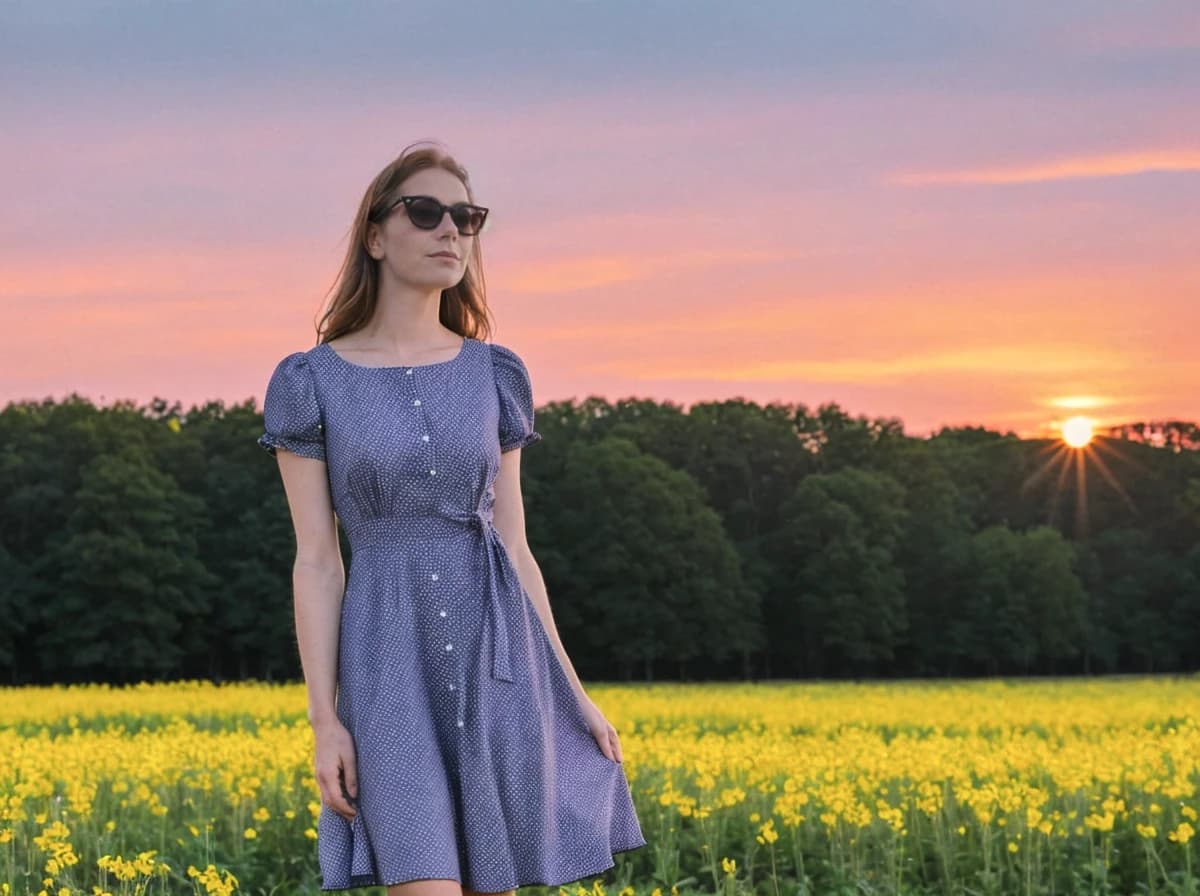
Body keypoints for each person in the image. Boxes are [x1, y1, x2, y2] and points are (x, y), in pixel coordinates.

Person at [256, 141, 646, 895]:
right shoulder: (310, 382)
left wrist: (574, 688)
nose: (451, 232)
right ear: (375, 235)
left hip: (497, 663)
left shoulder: (495, 375)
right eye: (426, 212)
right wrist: (324, 721)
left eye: (467, 218)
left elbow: (517, 546)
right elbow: (317, 561)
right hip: (385, 671)